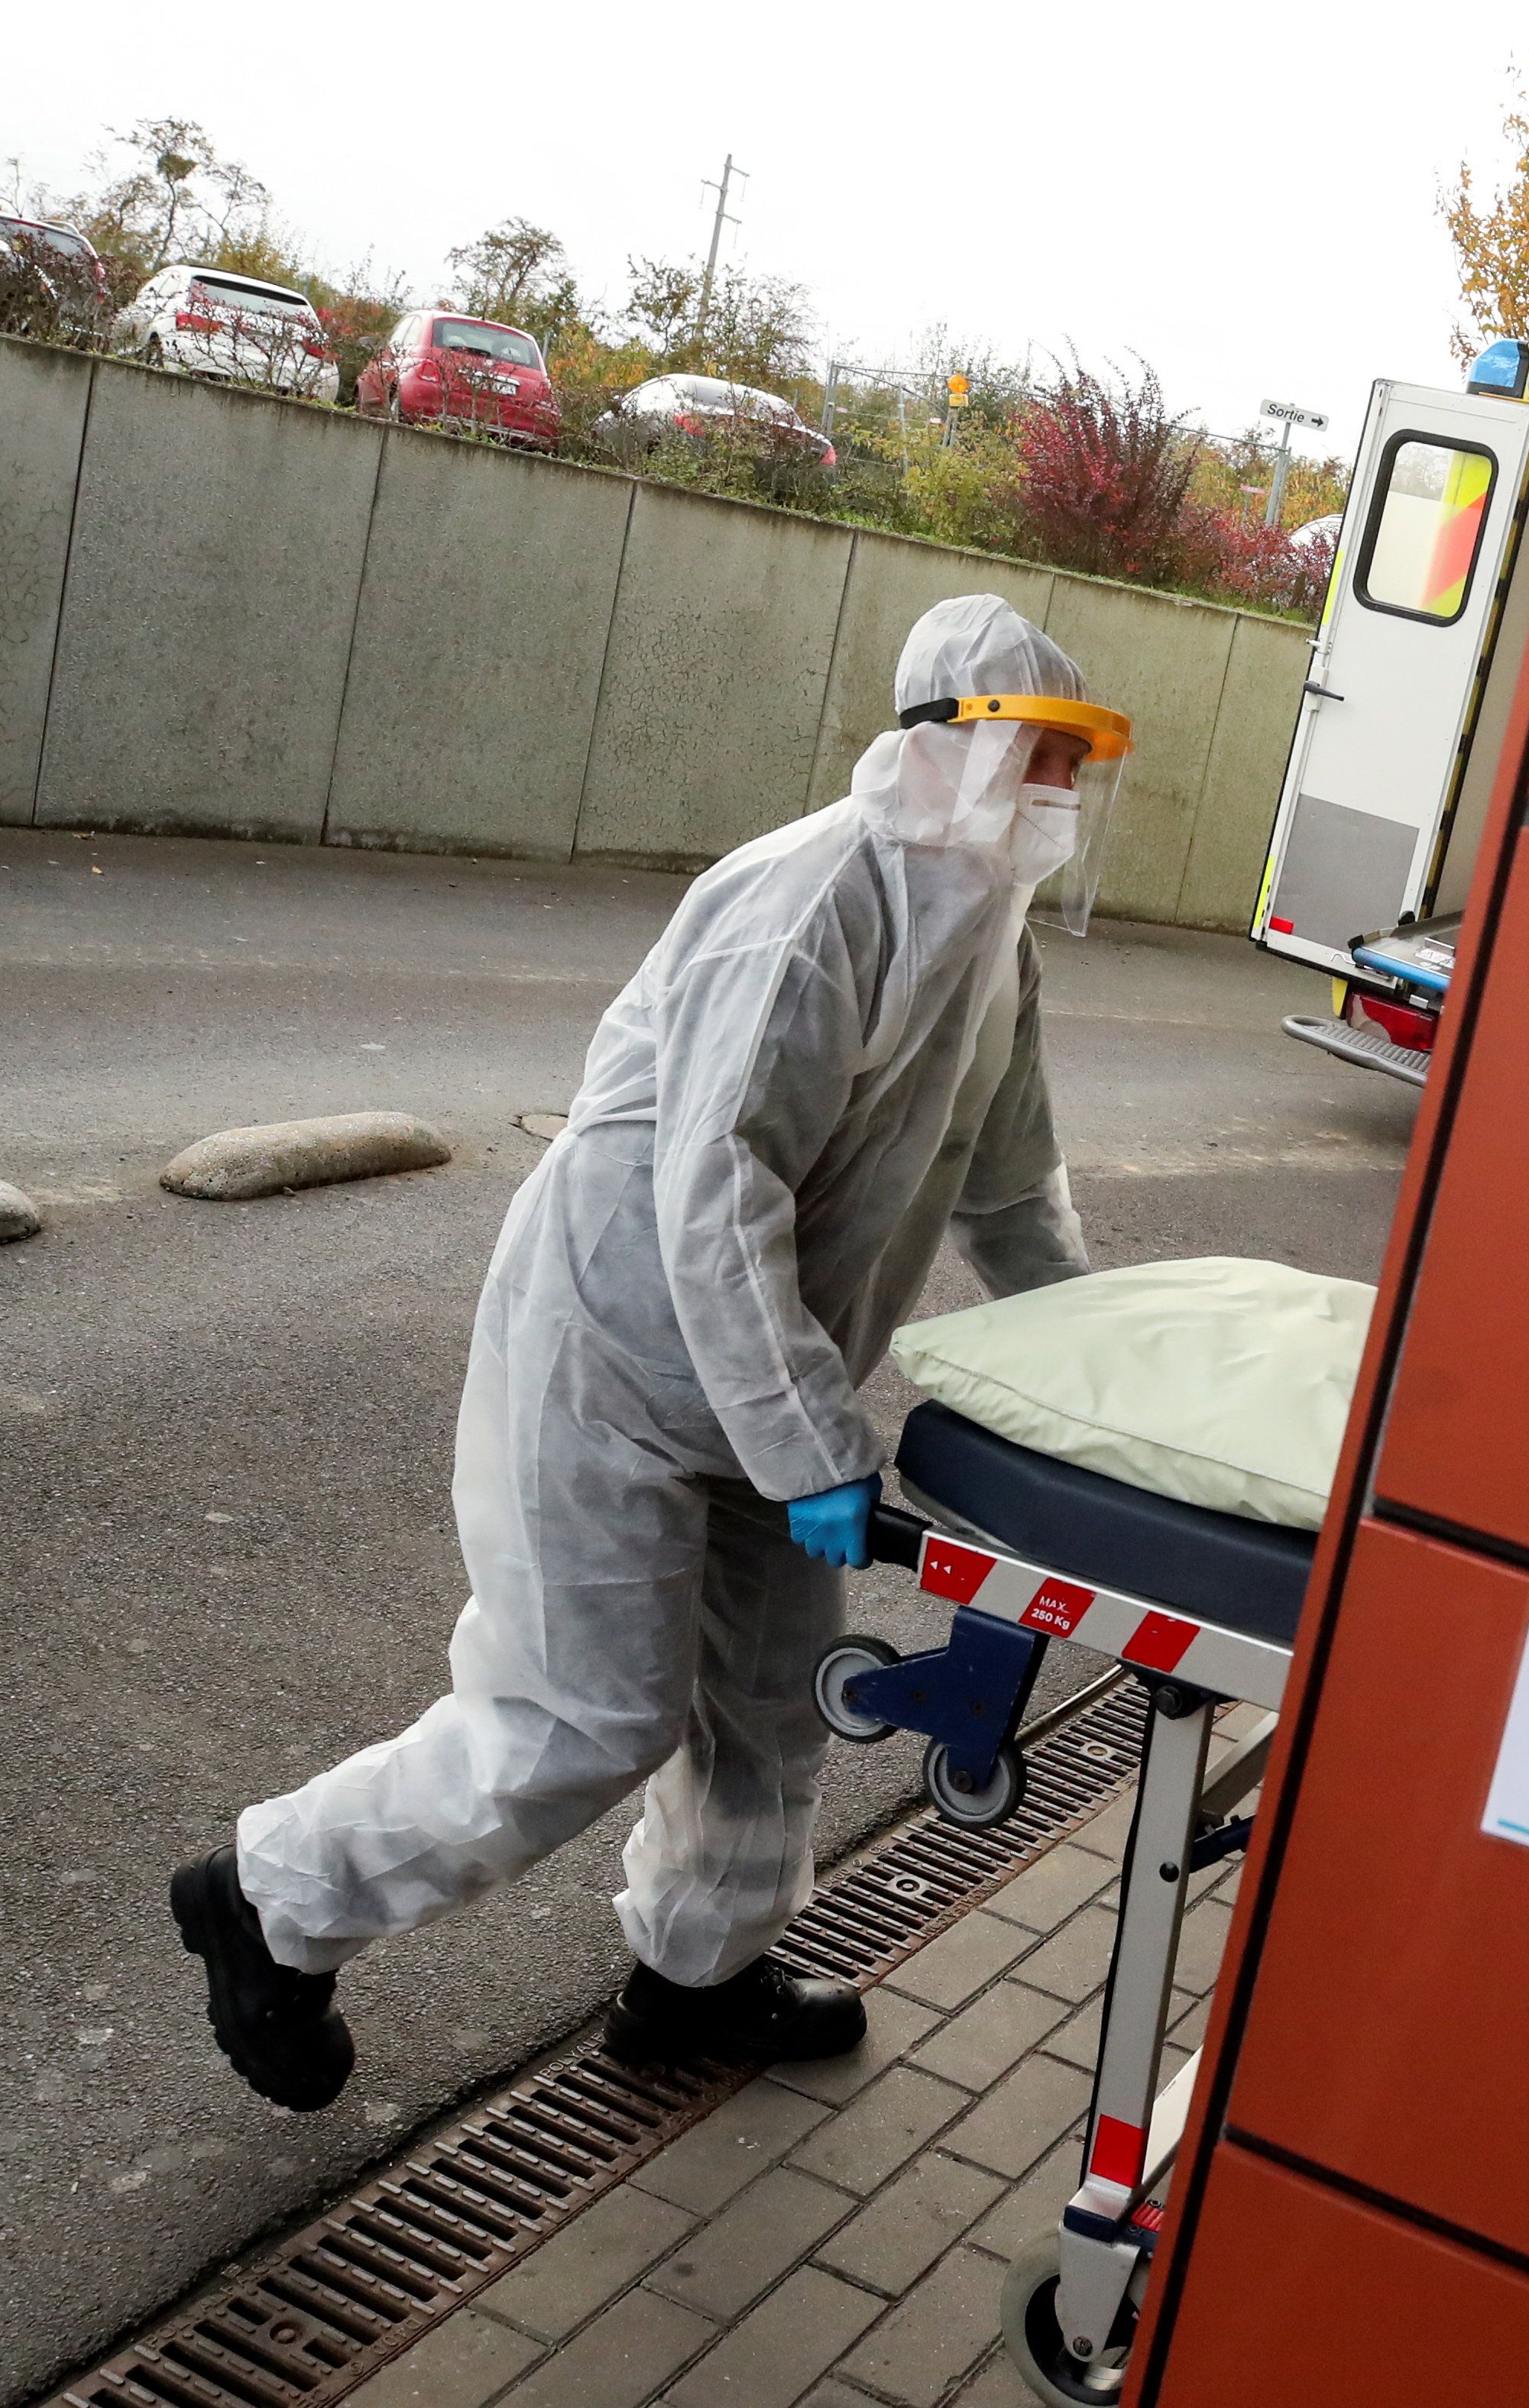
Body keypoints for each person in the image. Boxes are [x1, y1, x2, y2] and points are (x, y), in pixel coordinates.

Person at [172, 594, 1124, 2109]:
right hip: (613, 1350)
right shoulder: (811, 900)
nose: (1062, 793)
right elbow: (712, 1191)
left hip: (772, 1367)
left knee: (770, 1698)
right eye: (1042, 753)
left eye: (1085, 758)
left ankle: (697, 1979)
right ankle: (269, 1897)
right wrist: (811, 1445)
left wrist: (1107, 1382)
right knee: (583, 1710)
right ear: (944, 748)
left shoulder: (991, 949)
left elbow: (1010, 1195)